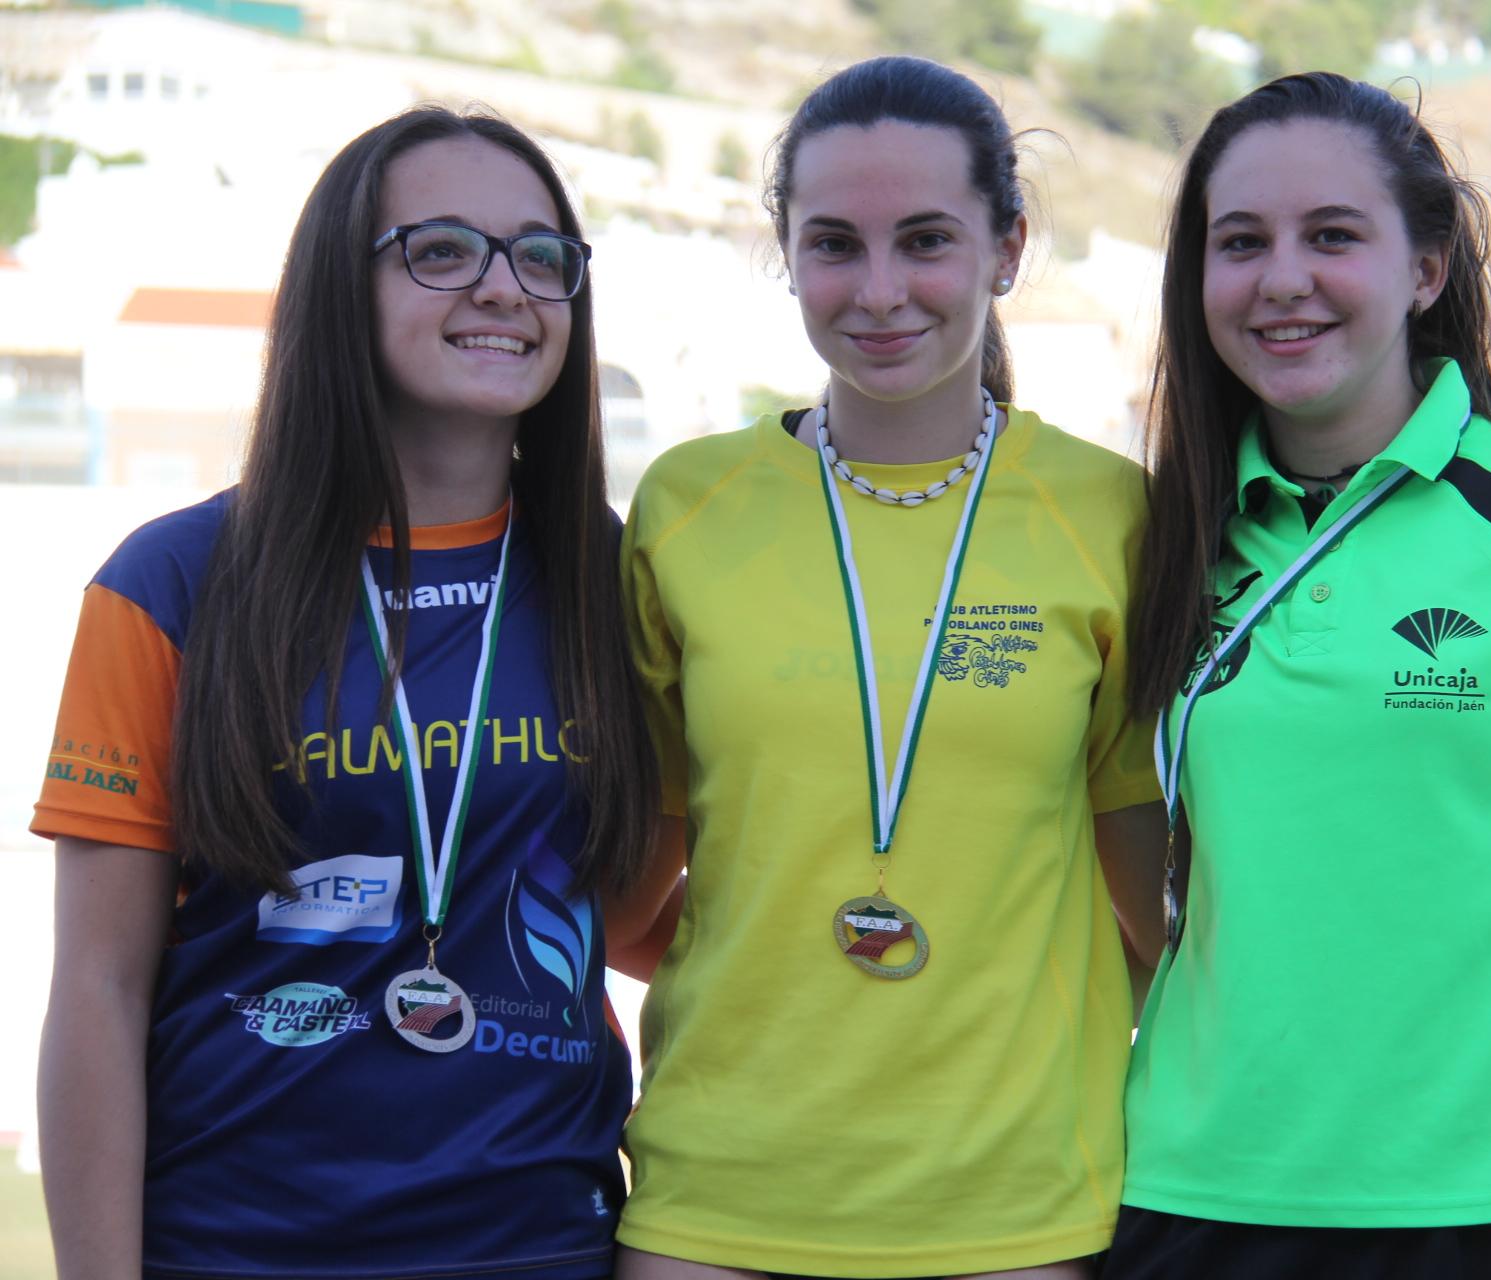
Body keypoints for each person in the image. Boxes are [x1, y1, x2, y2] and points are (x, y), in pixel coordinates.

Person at [1109, 72, 1491, 1279]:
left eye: (1333, 235)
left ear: (1428, 268)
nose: (1282, 278)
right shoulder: (1159, 537)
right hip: (1187, 1197)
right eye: (1241, 242)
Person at [33, 106, 659, 1279]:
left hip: (539, 1245)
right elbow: (100, 986)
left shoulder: (619, 579)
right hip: (236, 1246)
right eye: (442, 250)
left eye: (540, 256)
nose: (503, 287)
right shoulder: (170, 582)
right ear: (339, 284)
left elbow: (653, 911)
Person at [609, 55, 1161, 1280]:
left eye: (925, 240)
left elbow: (1157, 905)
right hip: (719, 1189)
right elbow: (628, 896)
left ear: (1007, 248)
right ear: (785, 252)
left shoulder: (1110, 513)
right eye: (833, 245)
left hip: (1015, 1201)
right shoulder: (687, 505)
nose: (878, 290)